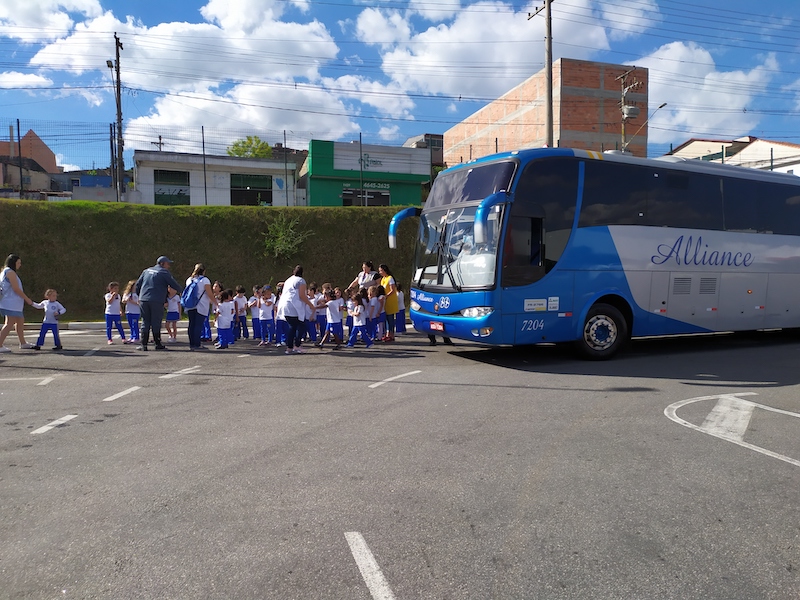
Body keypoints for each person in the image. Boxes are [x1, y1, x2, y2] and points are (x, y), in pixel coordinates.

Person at [134, 256, 182, 351]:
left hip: (144, 299)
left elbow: (138, 285)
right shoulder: (164, 272)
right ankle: (157, 343)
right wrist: (182, 290)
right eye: (167, 264)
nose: (168, 266)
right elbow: (173, 284)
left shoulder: (146, 271)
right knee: (156, 321)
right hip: (156, 300)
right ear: (162, 263)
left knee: (145, 321)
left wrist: (141, 296)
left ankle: (144, 344)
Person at [276, 265, 317, 354]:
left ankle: (289, 347)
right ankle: (297, 346)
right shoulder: (301, 281)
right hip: (294, 306)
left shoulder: (288, 280)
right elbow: (302, 295)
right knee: (301, 325)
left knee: (292, 327)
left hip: (285, 305)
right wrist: (311, 305)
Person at [0, 254, 35, 351]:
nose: (19, 265)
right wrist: (27, 299)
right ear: (13, 263)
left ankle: (23, 342)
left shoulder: (6, 272)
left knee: (20, 321)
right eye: (18, 263)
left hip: (13, 303)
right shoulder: (10, 272)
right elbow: (16, 289)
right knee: (10, 322)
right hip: (10, 303)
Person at [185, 263, 216, 351]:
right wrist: (216, 303)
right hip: (201, 305)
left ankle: (192, 344)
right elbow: (209, 293)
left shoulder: (189, 279)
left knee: (191, 324)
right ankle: (197, 344)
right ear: (204, 271)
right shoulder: (205, 280)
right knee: (198, 325)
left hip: (190, 305)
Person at [378, 264, 398, 342]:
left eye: (381, 271)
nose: (380, 272)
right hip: (384, 301)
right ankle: (387, 334)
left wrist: (386, 296)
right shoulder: (383, 279)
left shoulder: (390, 278)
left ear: (385, 270)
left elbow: (392, 290)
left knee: (390, 318)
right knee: (385, 318)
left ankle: (391, 335)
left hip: (390, 300)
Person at [122, 280, 141, 344]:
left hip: (136, 311)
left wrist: (132, 301)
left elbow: (139, 303)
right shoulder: (127, 293)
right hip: (128, 311)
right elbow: (123, 301)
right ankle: (132, 336)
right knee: (130, 325)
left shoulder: (138, 294)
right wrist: (126, 300)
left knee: (134, 324)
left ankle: (136, 337)